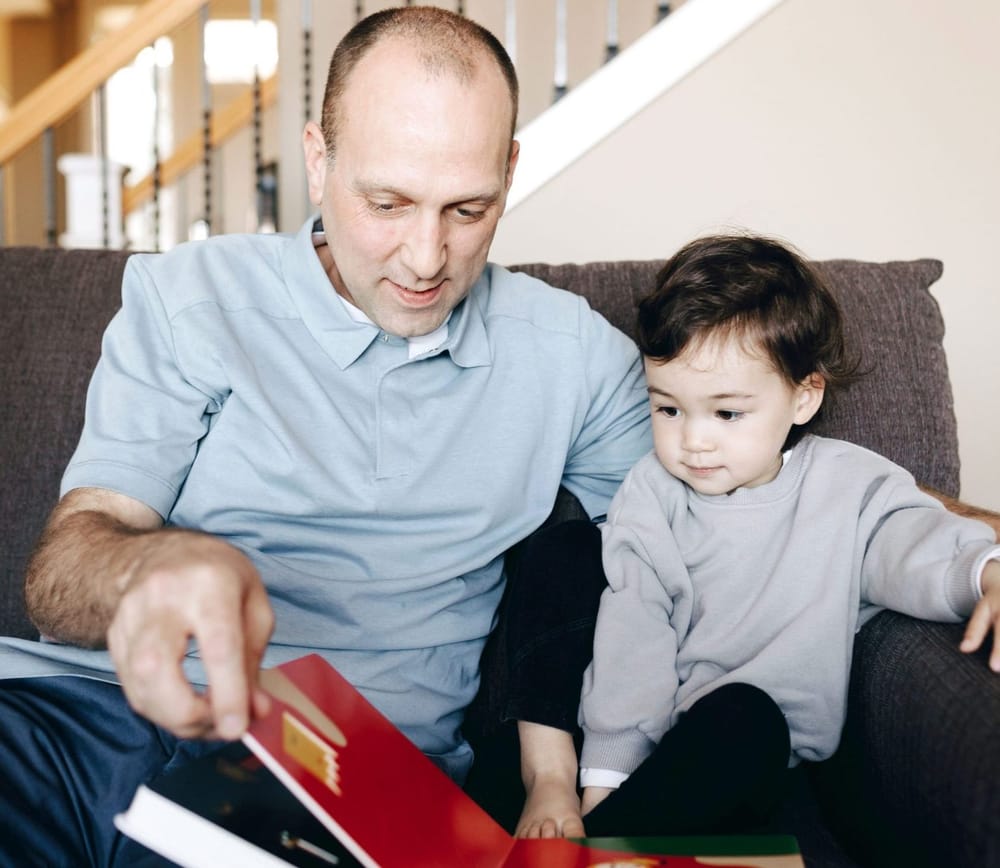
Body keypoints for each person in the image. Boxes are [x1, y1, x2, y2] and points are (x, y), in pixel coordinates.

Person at [0, 8, 652, 865]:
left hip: (344, 779)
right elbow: (59, 577)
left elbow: (694, 555)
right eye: (387, 203)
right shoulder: (189, 298)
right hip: (89, 722)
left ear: (509, 173)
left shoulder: (576, 360)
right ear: (318, 161)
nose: (426, 257)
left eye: (468, 209)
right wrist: (146, 565)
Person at [511, 233, 1000, 840]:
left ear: (804, 397)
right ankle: (573, 802)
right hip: (643, 751)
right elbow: (633, 635)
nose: (694, 441)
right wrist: (606, 784)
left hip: (754, 752)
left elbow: (911, 542)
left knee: (746, 715)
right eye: (668, 409)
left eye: (727, 413)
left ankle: (615, 841)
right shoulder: (653, 491)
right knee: (565, 547)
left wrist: (987, 571)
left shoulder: (847, 484)